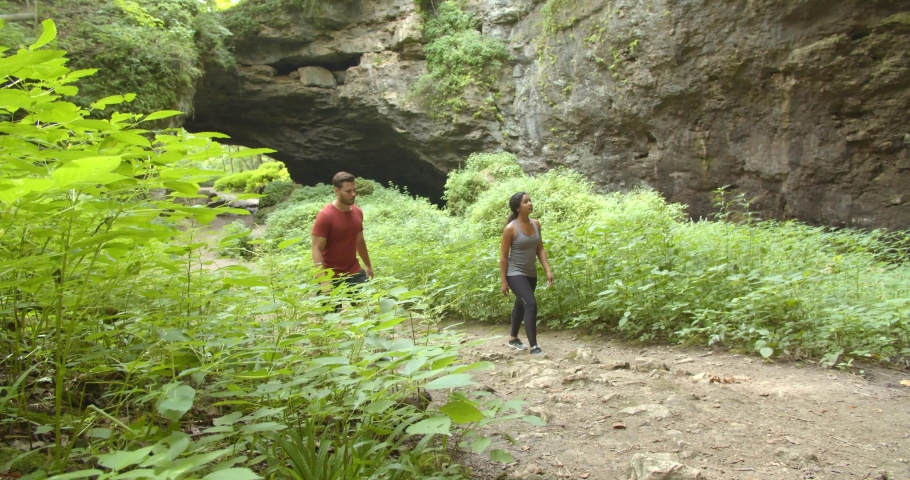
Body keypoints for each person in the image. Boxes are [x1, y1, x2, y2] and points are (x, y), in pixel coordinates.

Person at [499, 191, 554, 355]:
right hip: (515, 273)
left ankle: (513, 338)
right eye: (525, 202)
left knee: (521, 304)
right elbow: (503, 257)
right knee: (530, 303)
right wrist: (504, 281)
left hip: (531, 273)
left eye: (530, 200)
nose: (530, 203)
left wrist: (548, 270)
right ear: (517, 208)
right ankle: (534, 346)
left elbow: (540, 248)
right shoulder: (510, 229)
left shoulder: (536, 224)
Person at [312, 172, 374, 291]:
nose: (353, 194)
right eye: (348, 191)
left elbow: (360, 241)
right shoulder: (325, 215)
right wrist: (323, 279)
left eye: (354, 190)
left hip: (353, 271)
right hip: (330, 274)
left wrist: (368, 265)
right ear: (337, 190)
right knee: (331, 310)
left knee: (369, 305)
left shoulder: (357, 212)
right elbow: (316, 249)